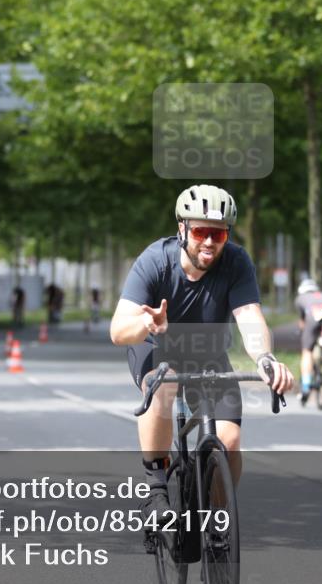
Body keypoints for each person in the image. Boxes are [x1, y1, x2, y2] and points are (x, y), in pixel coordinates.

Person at [110, 184, 295, 525]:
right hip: (155, 350)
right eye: (200, 232)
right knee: (163, 385)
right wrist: (146, 324)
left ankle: (215, 523)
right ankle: (156, 489)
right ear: (182, 229)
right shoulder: (155, 262)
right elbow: (119, 330)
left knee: (230, 439)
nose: (209, 242)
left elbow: (250, 315)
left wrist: (266, 359)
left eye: (218, 234)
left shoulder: (236, 262)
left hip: (207, 357)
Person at [294, 278, 322, 404]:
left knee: (307, 351)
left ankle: (306, 386)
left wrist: (303, 332)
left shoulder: (300, 299)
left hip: (313, 318)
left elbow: (303, 322)